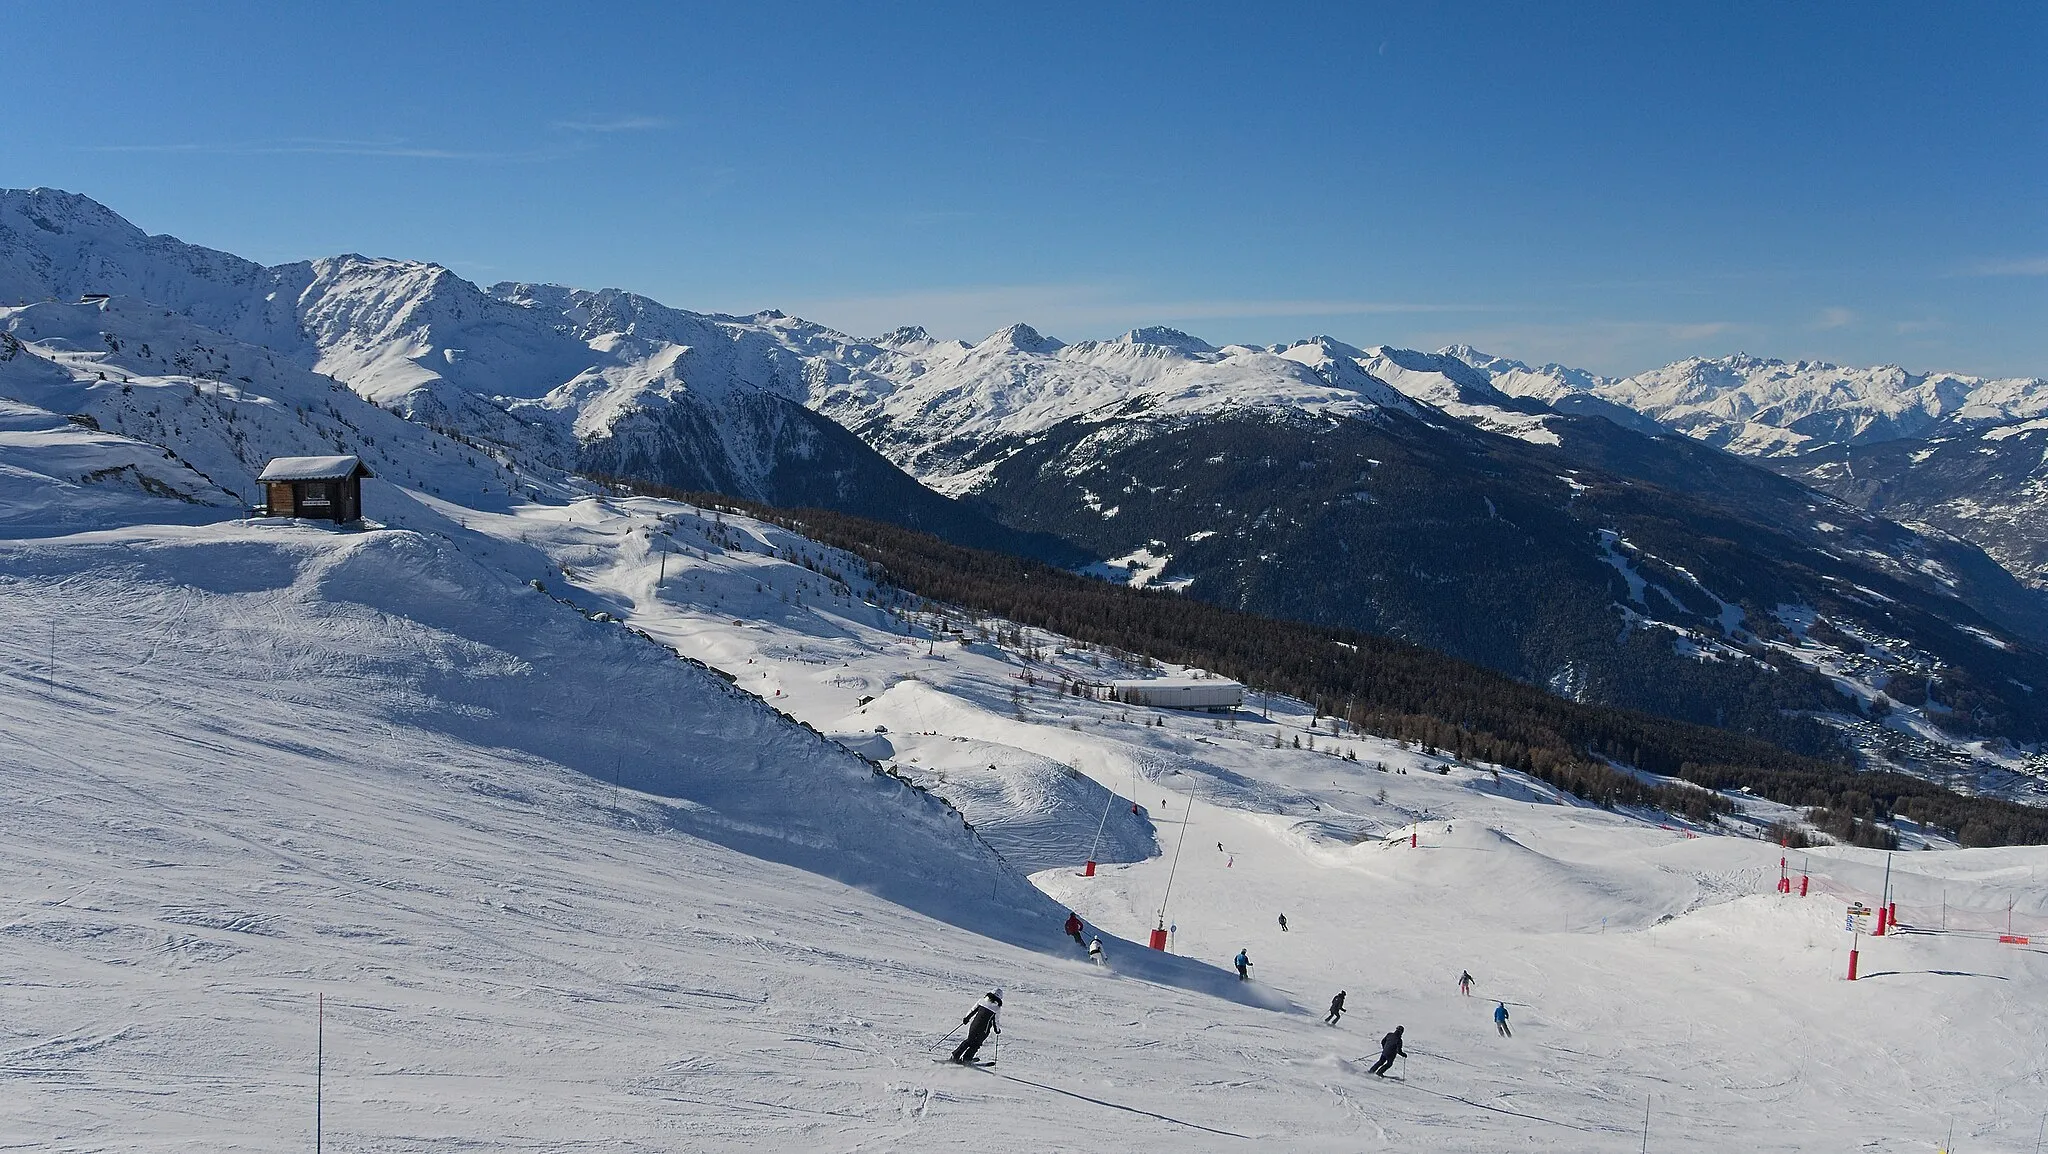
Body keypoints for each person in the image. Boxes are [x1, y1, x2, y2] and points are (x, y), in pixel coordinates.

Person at [950, 988, 1002, 1064]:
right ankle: (967, 1059)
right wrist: (997, 1030)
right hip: (984, 1029)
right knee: (977, 1044)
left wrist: (966, 1018)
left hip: (974, 1025)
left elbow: (972, 1010)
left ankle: (955, 1056)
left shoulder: (981, 1001)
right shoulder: (997, 1008)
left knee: (969, 1040)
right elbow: (995, 1021)